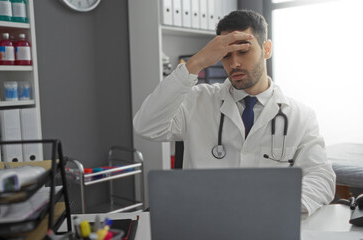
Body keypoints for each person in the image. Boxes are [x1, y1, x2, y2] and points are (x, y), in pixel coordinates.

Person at [133, 9, 335, 215]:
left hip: (268, 220)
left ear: (266, 49)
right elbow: (146, 126)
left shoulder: (300, 116)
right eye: (226, 55)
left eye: (244, 52)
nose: (234, 63)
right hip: (204, 221)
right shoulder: (196, 101)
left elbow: (321, 177)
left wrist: (279, 205)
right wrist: (197, 63)